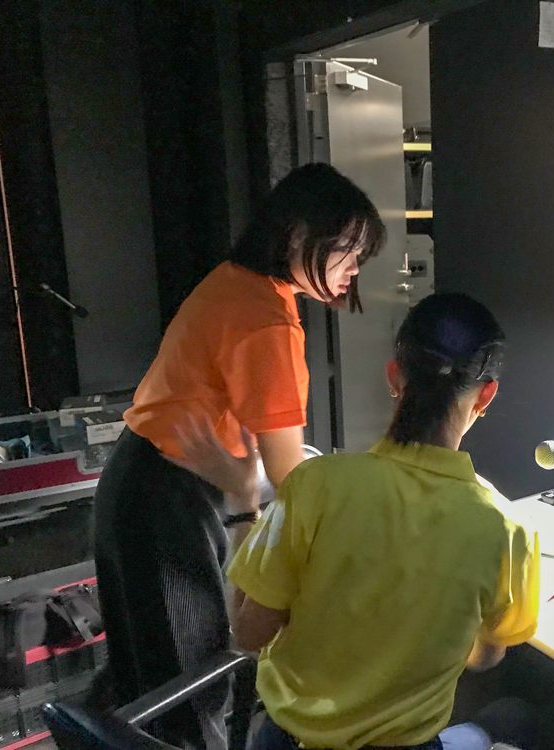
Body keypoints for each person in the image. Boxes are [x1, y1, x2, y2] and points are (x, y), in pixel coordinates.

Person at [93, 163, 386, 750]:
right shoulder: (266, 320)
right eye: (348, 250)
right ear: (298, 236)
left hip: (141, 478)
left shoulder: (242, 283)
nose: (355, 268)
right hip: (167, 498)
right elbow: (290, 478)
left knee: (149, 681)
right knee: (188, 692)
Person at [176, 293, 541, 750]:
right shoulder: (507, 530)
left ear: (394, 376)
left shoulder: (315, 485)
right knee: (513, 717)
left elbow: (249, 634)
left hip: (288, 741)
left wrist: (244, 502)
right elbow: (485, 658)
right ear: (486, 395)